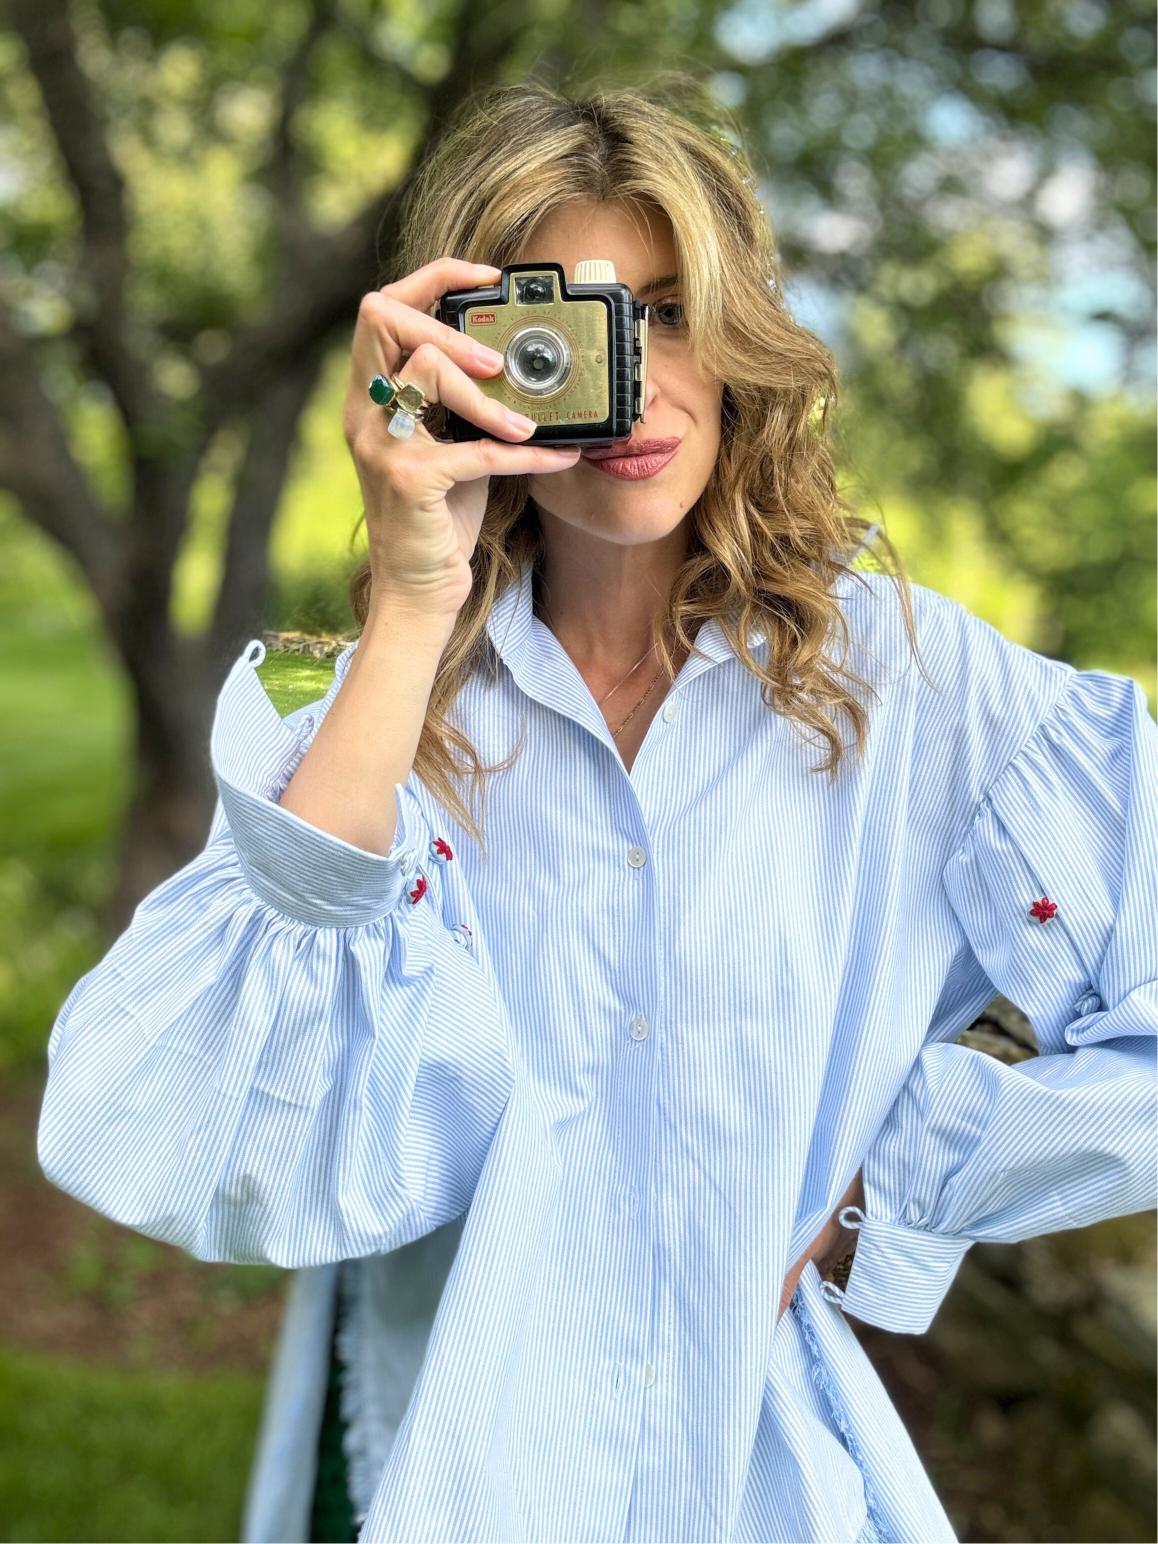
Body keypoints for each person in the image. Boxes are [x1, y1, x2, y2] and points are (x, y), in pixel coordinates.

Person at [36, 78, 1156, 1544]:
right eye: (560, 326)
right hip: (432, 1466)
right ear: (459, 356)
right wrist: (416, 597)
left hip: (746, 1474)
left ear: (744, 334)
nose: (628, 376)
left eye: (672, 310)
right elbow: (178, 1125)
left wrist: (898, 1194)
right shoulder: (371, 713)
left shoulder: (915, 688)